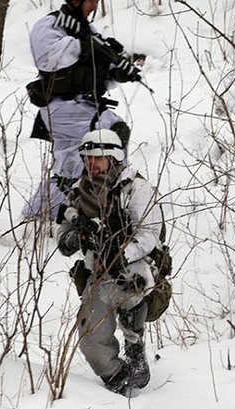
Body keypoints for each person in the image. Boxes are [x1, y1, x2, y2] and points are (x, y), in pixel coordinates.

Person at [57, 129, 162, 395]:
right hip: (98, 270)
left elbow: (150, 233)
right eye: (87, 157)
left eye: (98, 157)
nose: (91, 163)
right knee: (90, 339)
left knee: (130, 287)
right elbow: (62, 235)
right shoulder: (78, 193)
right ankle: (117, 380)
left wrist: (122, 255)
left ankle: (134, 342)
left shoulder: (135, 188)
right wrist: (76, 238)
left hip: (134, 265)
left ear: (113, 157)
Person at [23, 0, 142, 219]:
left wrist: (116, 71)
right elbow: (48, 59)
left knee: (72, 162)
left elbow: (96, 75)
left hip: (84, 105)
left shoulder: (90, 30)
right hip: (61, 106)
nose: (94, 7)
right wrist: (83, 46)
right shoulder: (50, 25)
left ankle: (45, 211)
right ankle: (94, 204)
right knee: (108, 138)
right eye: (91, 1)